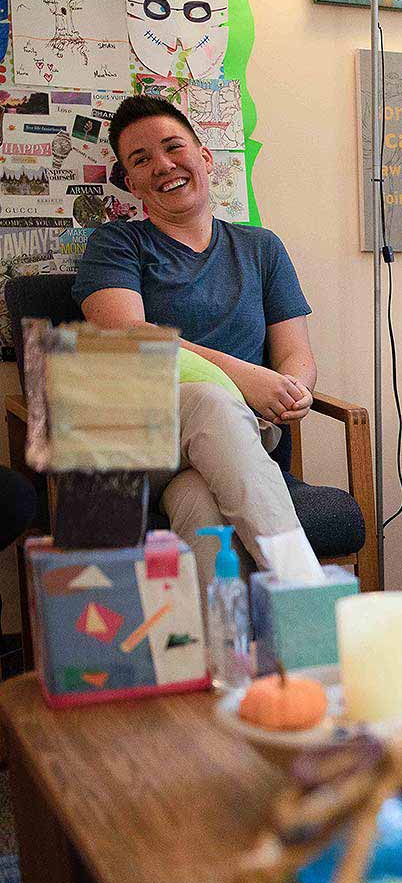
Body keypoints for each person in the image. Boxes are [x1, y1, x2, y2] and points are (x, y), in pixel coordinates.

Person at [74, 95, 313, 586]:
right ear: (132, 183)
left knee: (201, 508)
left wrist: (292, 389)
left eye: (172, 147)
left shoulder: (260, 247)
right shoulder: (118, 243)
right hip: (146, 439)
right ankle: (303, 586)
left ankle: (224, 657)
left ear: (204, 156)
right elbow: (130, 337)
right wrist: (244, 377)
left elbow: (295, 351)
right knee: (207, 400)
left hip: (242, 438)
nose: (162, 165)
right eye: (141, 160)